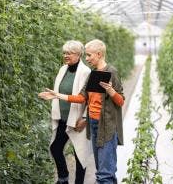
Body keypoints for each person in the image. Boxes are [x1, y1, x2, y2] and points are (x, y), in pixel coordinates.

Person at [39, 39, 124, 184]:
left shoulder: (110, 72)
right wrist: (57, 95)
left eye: (89, 55)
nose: (87, 58)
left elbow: (121, 101)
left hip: (107, 125)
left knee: (104, 174)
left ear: (99, 54)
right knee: (103, 170)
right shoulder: (93, 74)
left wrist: (111, 91)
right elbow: (81, 97)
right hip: (94, 124)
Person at [39, 40, 92, 184]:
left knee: (80, 154)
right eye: (64, 53)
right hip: (63, 118)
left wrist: (85, 118)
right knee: (55, 148)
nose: (65, 56)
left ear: (78, 54)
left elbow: (89, 98)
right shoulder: (63, 69)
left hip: (77, 120)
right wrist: (51, 96)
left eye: (69, 53)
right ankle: (63, 178)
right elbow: (60, 91)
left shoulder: (85, 72)